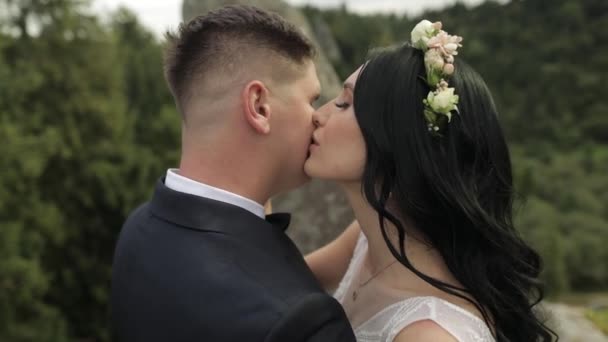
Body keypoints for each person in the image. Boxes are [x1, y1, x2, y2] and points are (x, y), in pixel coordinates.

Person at [110, 5, 356, 342]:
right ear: (259, 106)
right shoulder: (300, 322)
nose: (317, 117)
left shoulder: (139, 228)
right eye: (311, 99)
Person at [304, 20, 556, 342]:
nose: (318, 114)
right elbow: (276, 278)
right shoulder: (374, 237)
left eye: (344, 104)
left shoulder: (429, 334)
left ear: (398, 140)